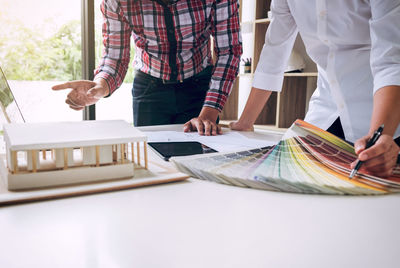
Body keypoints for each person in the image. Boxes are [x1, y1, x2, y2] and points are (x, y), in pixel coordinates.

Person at [230, 0, 400, 177]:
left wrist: (381, 136)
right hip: (325, 113)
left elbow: (391, 63)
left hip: (383, 117)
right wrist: (245, 122)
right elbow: (274, 52)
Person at [52, 0, 242, 136]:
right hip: (150, 88)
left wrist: (209, 113)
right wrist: (100, 87)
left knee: (201, 162)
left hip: (201, 87)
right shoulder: (117, 2)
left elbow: (229, 52)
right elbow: (115, 57)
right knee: (153, 164)